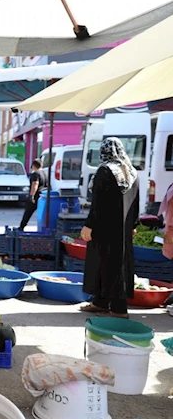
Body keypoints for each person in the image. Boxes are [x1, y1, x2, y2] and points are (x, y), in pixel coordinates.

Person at [79, 137, 139, 319]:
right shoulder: (131, 172)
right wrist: (133, 225)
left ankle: (119, 309)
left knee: (105, 264)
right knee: (116, 264)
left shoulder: (105, 170)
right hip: (123, 229)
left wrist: (89, 225)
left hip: (104, 228)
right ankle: (101, 302)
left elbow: (97, 203)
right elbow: (136, 202)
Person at [18, 159, 47, 231]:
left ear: (33, 165)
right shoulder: (46, 173)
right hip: (44, 196)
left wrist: (31, 195)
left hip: (37, 195)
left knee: (28, 211)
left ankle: (22, 227)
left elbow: (35, 184)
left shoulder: (35, 174)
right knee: (44, 213)